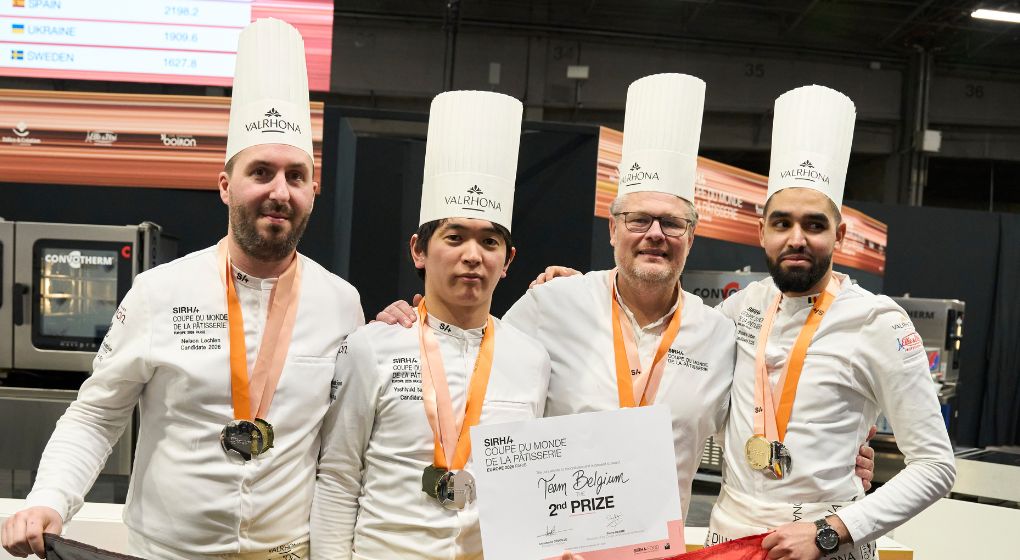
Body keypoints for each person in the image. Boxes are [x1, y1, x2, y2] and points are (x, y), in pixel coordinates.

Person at [377, 75, 875, 531]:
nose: (655, 235)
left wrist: (836, 456)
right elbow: (472, 377)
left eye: (672, 223)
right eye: (638, 220)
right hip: (556, 546)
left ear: (692, 237)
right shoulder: (551, 305)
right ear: (613, 229)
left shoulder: (721, 333)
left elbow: (760, 414)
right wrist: (413, 325)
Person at [1, 18, 364, 560]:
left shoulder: (342, 303)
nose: (278, 192)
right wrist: (50, 498)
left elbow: (343, 444)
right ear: (225, 185)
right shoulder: (159, 292)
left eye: (294, 175)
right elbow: (98, 414)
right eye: (260, 171)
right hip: (167, 554)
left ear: (315, 188)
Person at [706, 84, 955, 560]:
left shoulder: (877, 321)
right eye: (781, 223)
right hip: (730, 542)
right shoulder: (738, 309)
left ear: (838, 234)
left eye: (814, 225)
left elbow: (936, 466)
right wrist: (585, 292)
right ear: (761, 231)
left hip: (825, 547)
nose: (796, 238)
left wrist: (833, 530)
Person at [310, 90, 550, 560]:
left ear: (508, 261)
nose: (472, 256)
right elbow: (338, 478)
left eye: (490, 242)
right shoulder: (371, 347)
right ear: (419, 250)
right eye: (455, 237)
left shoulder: (531, 359)